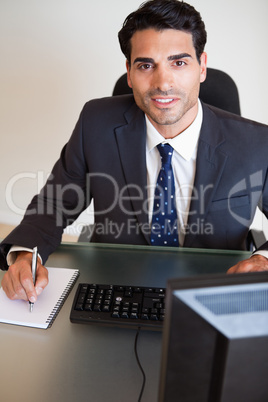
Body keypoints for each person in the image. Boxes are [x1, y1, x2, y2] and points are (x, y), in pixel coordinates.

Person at [1, 0, 268, 304]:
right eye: (145, 65)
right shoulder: (96, 122)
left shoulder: (256, 143)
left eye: (178, 62)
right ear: (129, 73)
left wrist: (263, 260)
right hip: (116, 289)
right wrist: (24, 254)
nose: (163, 83)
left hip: (214, 292)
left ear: (202, 66)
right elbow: (54, 203)